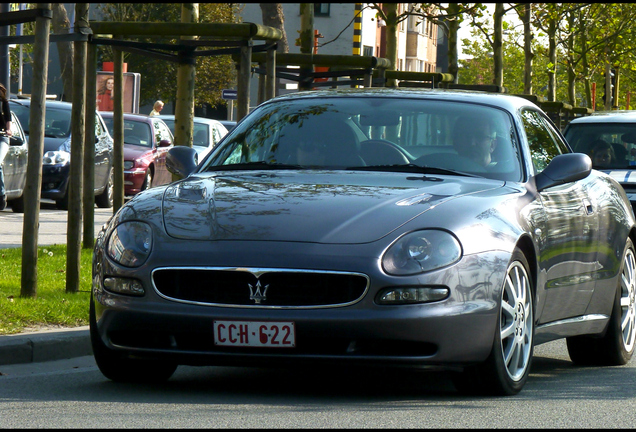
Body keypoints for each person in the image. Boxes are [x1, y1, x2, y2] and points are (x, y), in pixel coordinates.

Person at [0, 83, 13, 211]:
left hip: (1, 137)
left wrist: (8, 130)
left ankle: (1, 194)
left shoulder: (3, 101)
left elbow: (8, 117)